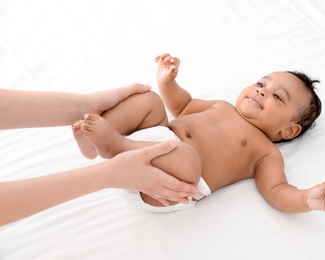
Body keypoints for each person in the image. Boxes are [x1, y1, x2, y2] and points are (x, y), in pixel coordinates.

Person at [72, 53, 325, 213]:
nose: (261, 91)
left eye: (277, 97)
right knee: (150, 101)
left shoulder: (266, 153)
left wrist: (305, 199)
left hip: (168, 184)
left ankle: (113, 145)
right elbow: (181, 106)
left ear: (289, 130)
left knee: (186, 157)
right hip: (147, 143)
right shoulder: (221, 105)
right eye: (261, 83)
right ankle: (94, 144)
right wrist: (168, 82)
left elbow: (276, 189)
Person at [0, 84, 199, 226]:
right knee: (186, 157)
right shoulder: (224, 107)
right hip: (164, 172)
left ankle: (98, 142)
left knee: (149, 100)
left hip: (169, 178)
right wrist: (110, 173)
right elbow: (184, 106)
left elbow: (185, 108)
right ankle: (114, 146)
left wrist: (87, 104)